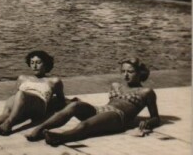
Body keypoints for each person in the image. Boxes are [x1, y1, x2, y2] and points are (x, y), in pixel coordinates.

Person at [26, 57, 160, 145]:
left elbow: (156, 118)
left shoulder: (146, 92)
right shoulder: (116, 85)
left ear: (139, 73)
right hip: (100, 109)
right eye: (123, 71)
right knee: (75, 105)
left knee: (86, 124)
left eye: (130, 72)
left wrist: (147, 122)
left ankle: (61, 138)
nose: (125, 75)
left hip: (118, 117)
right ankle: (40, 129)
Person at [0, 50, 66, 136]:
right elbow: (15, 98)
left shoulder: (54, 81)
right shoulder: (22, 78)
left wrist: (52, 106)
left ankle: (8, 125)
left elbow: (61, 101)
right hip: (23, 101)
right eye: (32, 63)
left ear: (45, 64)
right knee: (11, 102)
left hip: (39, 105)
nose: (35, 66)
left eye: (38, 63)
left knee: (21, 94)